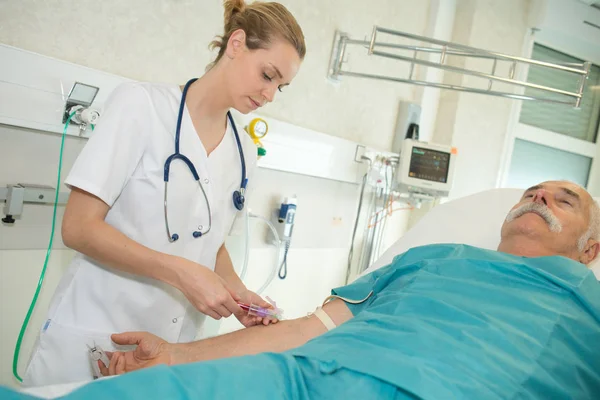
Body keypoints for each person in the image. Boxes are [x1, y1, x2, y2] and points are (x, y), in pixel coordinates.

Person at [6, 180, 595, 399]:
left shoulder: (586, 311)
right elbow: (310, 328)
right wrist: (175, 354)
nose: (538, 197)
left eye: (562, 199)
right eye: (533, 192)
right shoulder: (429, 259)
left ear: (590, 250)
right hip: (304, 376)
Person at [22, 0, 306, 386]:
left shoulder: (243, 151)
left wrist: (240, 296)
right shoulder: (141, 107)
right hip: (95, 333)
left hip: (171, 353)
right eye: (267, 75)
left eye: (280, 86)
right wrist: (182, 274)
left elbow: (211, 241)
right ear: (236, 44)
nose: (270, 94)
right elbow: (78, 228)